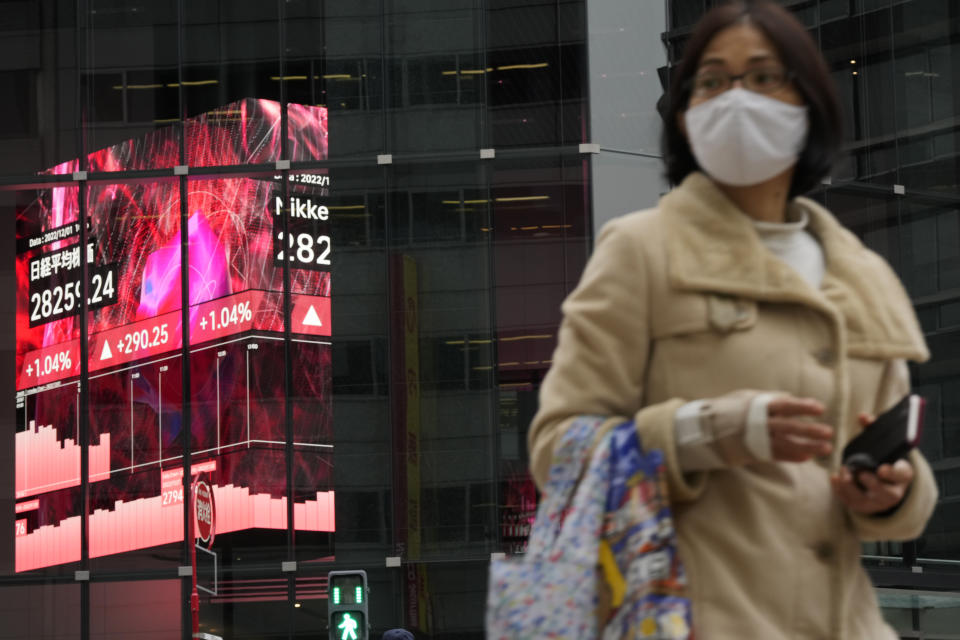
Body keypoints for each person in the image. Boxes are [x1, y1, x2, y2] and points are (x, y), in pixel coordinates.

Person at [527, 1, 938, 638]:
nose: (735, 98)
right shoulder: (642, 250)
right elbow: (559, 454)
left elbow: (905, 482)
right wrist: (713, 430)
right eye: (713, 81)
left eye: (763, 76)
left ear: (809, 104)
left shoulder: (862, 274)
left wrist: (892, 491)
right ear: (687, 117)